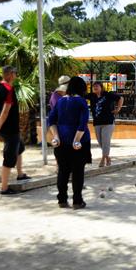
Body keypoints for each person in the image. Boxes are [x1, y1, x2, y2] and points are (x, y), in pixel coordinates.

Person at [48, 76, 92, 209]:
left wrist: (56, 136)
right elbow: (82, 123)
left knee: (63, 170)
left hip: (61, 142)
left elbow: (51, 120)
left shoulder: (60, 101)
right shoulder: (81, 102)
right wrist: (76, 140)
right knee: (78, 172)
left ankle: (62, 199)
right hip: (79, 142)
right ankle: (77, 201)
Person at [0, 66, 31, 195]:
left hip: (8, 127)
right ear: (10, 74)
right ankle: (4, 188)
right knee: (9, 157)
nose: (16, 75)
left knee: (20, 147)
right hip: (9, 129)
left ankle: (20, 174)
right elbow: (5, 110)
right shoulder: (8, 89)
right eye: (15, 73)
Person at [86, 82, 123, 167]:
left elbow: (120, 98)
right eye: (93, 86)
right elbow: (81, 95)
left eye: (97, 86)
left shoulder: (108, 95)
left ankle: (103, 159)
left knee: (105, 141)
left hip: (108, 122)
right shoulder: (92, 96)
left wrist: (118, 109)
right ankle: (108, 158)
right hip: (97, 122)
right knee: (100, 142)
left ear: (101, 87)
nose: (95, 87)